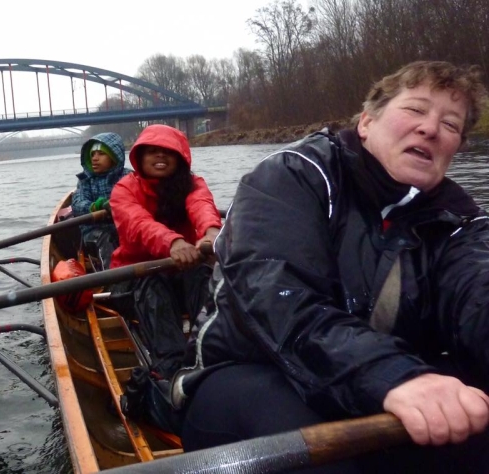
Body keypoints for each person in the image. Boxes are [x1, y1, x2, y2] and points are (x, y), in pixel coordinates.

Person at [174, 60, 489, 473]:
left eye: (450, 124)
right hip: (248, 374)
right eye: (414, 110)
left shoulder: (459, 221)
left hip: (376, 379)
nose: (430, 128)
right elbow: (280, 299)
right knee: (311, 441)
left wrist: (402, 377)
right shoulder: (291, 176)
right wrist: (393, 375)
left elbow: (477, 297)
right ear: (366, 123)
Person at [108, 124, 222, 379]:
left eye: (168, 152)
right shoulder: (124, 189)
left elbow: (201, 206)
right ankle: (171, 368)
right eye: (152, 152)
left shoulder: (193, 183)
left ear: (180, 158)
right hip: (137, 276)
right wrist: (174, 243)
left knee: (205, 279)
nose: (160, 157)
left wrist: (212, 232)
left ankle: (214, 353)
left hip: (185, 269)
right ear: (140, 158)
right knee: (154, 286)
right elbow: (139, 224)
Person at [71, 132, 131, 269]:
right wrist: (95, 206)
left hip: (123, 226)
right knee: (105, 238)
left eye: (101, 154)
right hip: (94, 229)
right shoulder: (85, 181)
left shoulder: (128, 176)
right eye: (92, 154)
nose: (95, 158)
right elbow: (78, 204)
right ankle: (112, 280)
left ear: (114, 157)